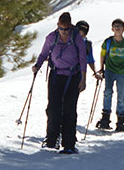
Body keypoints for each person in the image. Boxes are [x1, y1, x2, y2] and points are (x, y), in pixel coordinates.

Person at [32, 12, 87, 154]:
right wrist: (37, 65)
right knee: (53, 108)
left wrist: (83, 79)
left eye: (66, 29)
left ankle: (69, 143)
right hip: (56, 75)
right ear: (57, 26)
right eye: (61, 29)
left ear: (71, 27)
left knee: (69, 109)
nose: (63, 32)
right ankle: (52, 139)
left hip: (72, 76)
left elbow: (82, 58)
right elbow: (44, 53)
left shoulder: (77, 38)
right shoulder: (51, 37)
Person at [96, 18, 124, 132]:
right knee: (108, 92)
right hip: (109, 70)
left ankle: (120, 119)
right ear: (112, 29)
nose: (117, 28)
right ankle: (106, 117)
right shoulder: (108, 42)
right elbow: (103, 54)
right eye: (115, 26)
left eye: (119, 26)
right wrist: (101, 68)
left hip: (122, 71)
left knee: (121, 95)